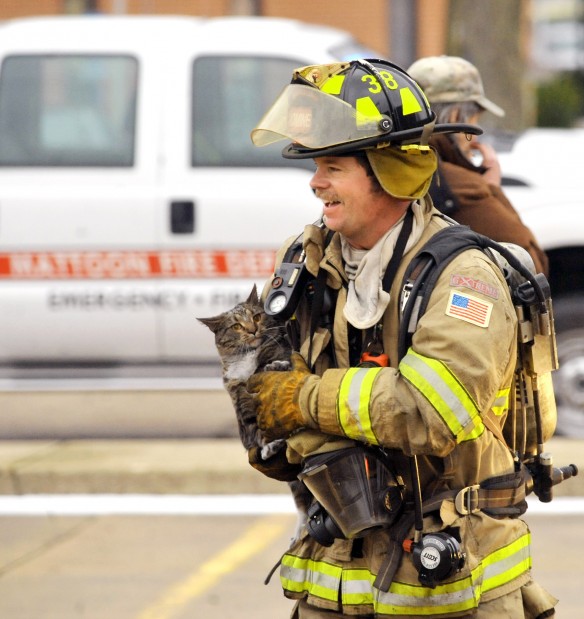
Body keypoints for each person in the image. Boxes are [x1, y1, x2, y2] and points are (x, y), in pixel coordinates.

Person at [247, 59, 558, 618]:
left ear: (391, 171)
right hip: (333, 584)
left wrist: (304, 401)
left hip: (451, 594)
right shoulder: (303, 263)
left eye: (334, 167)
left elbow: (431, 413)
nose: (317, 183)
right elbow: (259, 397)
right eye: (316, 166)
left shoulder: (466, 278)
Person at [407, 55, 549, 277]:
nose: (475, 135)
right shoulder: (463, 186)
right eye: (475, 120)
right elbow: (533, 267)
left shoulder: (392, 166)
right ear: (455, 116)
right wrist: (491, 189)